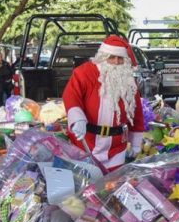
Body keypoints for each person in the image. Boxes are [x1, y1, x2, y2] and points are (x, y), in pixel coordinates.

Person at [62, 35, 145, 171]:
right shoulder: (85, 72)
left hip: (117, 147)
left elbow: (137, 113)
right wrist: (77, 119)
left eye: (120, 58)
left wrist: (135, 143)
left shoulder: (128, 80)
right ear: (103, 57)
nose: (116, 62)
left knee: (110, 187)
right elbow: (71, 95)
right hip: (87, 143)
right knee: (87, 187)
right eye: (111, 57)